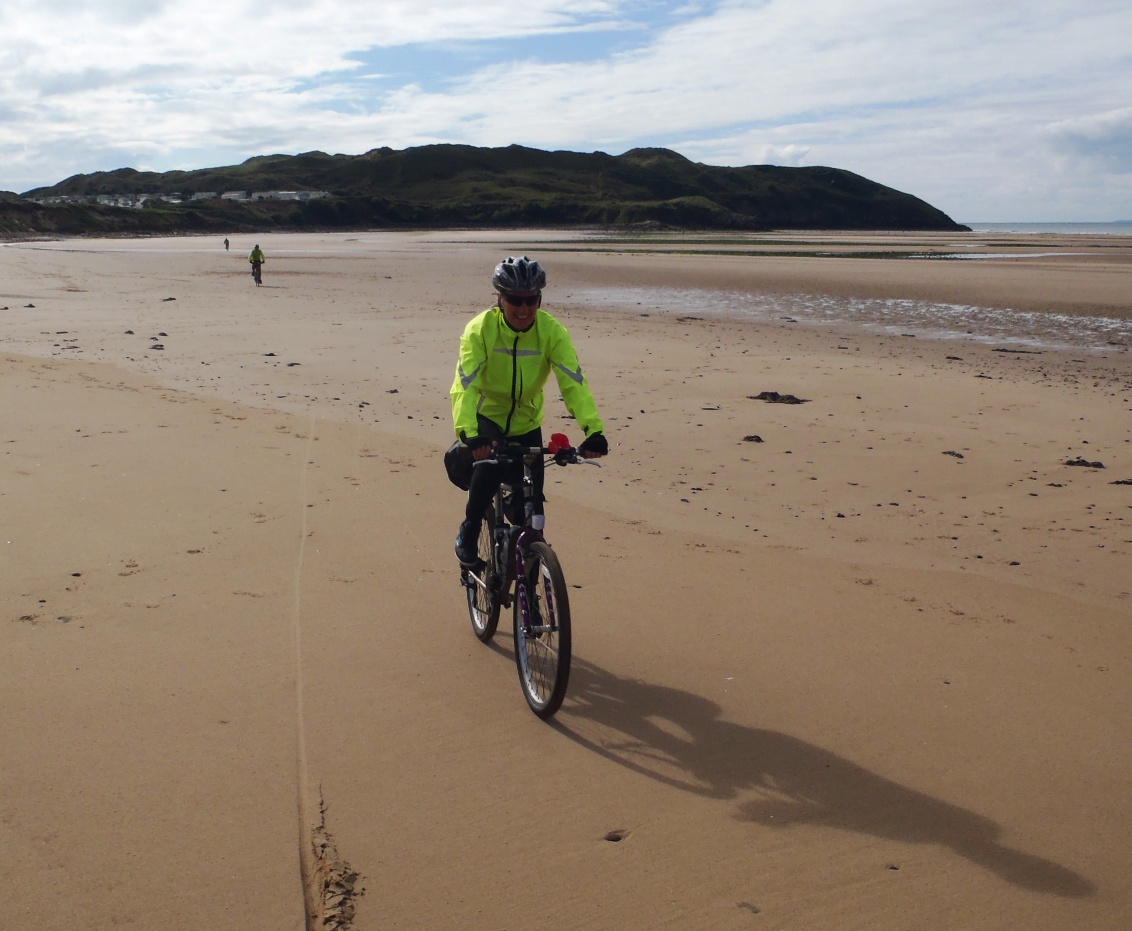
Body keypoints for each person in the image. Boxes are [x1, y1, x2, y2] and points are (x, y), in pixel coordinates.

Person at [451, 255, 608, 566]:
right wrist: (470, 433)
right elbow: (464, 385)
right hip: (487, 418)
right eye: (514, 300)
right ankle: (469, 529)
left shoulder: (552, 332)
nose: (523, 309)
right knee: (490, 468)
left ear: (539, 299)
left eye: (531, 300)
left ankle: (534, 580)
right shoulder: (480, 330)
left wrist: (593, 430)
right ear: (500, 298)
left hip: (527, 423)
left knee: (533, 511)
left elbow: (573, 382)